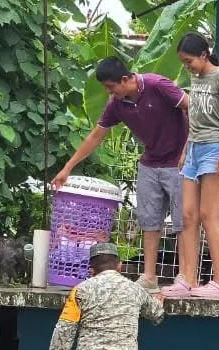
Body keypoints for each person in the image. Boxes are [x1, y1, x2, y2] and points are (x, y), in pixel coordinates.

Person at [51, 57, 188, 291]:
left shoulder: (157, 85)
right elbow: (96, 136)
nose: (109, 92)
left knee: (182, 221)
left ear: (125, 79)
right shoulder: (116, 104)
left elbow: (192, 107)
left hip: (179, 162)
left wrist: (188, 150)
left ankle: (184, 277)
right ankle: (149, 277)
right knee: (149, 220)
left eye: (111, 87)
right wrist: (68, 167)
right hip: (149, 162)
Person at [161, 32, 219, 300]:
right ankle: (188, 279)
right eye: (183, 62)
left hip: (215, 149)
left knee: (209, 216)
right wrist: (185, 150)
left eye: (189, 61)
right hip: (193, 151)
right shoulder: (194, 79)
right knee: (187, 217)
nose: (187, 66)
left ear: (204, 55)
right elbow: (194, 118)